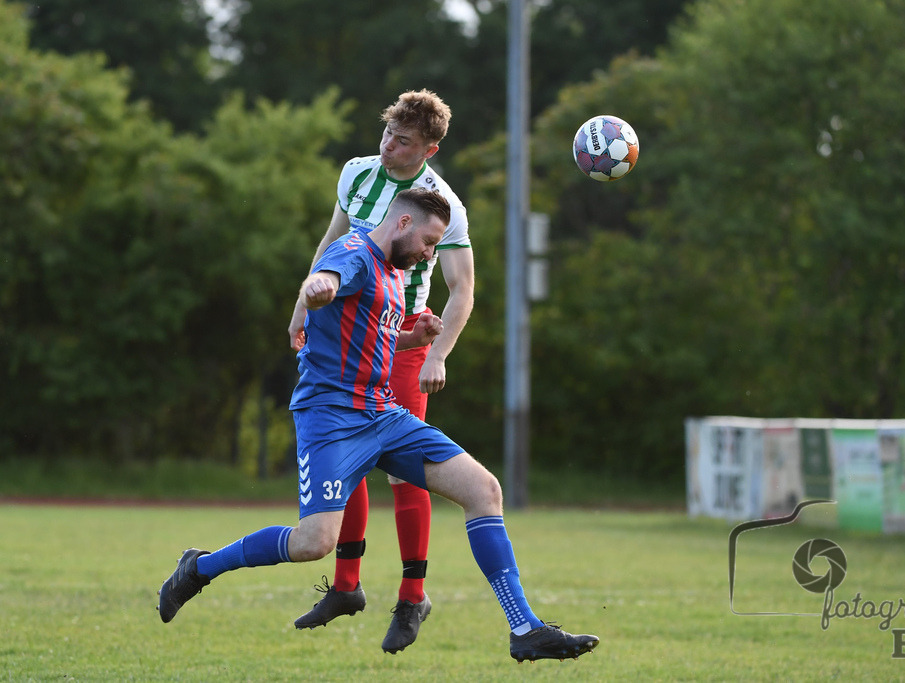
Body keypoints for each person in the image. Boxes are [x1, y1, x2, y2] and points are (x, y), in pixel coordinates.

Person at [159, 189, 599, 663]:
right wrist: (317, 288)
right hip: (330, 420)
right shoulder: (353, 252)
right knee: (315, 543)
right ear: (404, 222)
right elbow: (327, 277)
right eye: (430, 242)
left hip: (382, 413)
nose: (431, 254)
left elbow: (373, 337)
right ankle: (200, 568)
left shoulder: (394, 274)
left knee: (484, 490)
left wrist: (414, 337)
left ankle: (524, 628)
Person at [286, 90, 474, 653]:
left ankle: (413, 595)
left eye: (405, 141)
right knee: (349, 460)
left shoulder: (445, 203)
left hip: (406, 337)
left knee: (405, 471)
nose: (390, 145)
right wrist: (301, 304)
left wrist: (438, 355)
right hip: (346, 332)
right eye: (389, 132)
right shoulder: (356, 173)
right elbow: (332, 241)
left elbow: (462, 287)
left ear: (430, 149)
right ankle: (346, 587)